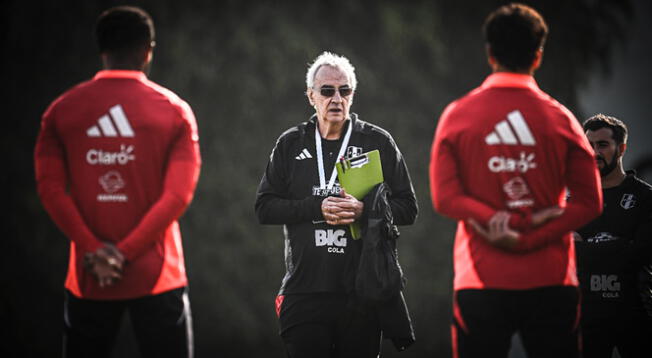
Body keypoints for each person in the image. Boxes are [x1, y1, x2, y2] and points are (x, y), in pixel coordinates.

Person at [429, 3, 602, 358]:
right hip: (552, 279)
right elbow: (590, 202)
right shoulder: (561, 120)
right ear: (537, 57)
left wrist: (500, 221)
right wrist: (530, 231)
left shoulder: (458, 116)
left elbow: (445, 198)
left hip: (481, 279)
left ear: (490, 53)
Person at [34, 6, 200, 358]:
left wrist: (95, 250)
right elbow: (178, 196)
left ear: (102, 50)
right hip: (158, 275)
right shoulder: (175, 111)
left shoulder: (61, 111)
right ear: (148, 51)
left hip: (90, 274)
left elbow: (50, 190)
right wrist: (124, 253)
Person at [255, 51, 417, 358]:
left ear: (352, 96)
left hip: (361, 290)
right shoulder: (291, 143)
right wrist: (317, 207)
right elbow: (265, 207)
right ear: (311, 96)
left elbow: (408, 207)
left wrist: (365, 210)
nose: (336, 98)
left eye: (344, 91)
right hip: (304, 290)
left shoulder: (377, 142)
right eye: (327, 91)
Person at [575, 114, 652, 358]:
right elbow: (559, 256)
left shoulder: (645, 198)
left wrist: (584, 247)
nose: (595, 152)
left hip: (636, 312)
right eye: (589, 145)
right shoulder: (572, 201)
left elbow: (641, 253)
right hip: (585, 315)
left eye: (603, 145)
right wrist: (621, 244)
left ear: (622, 149)